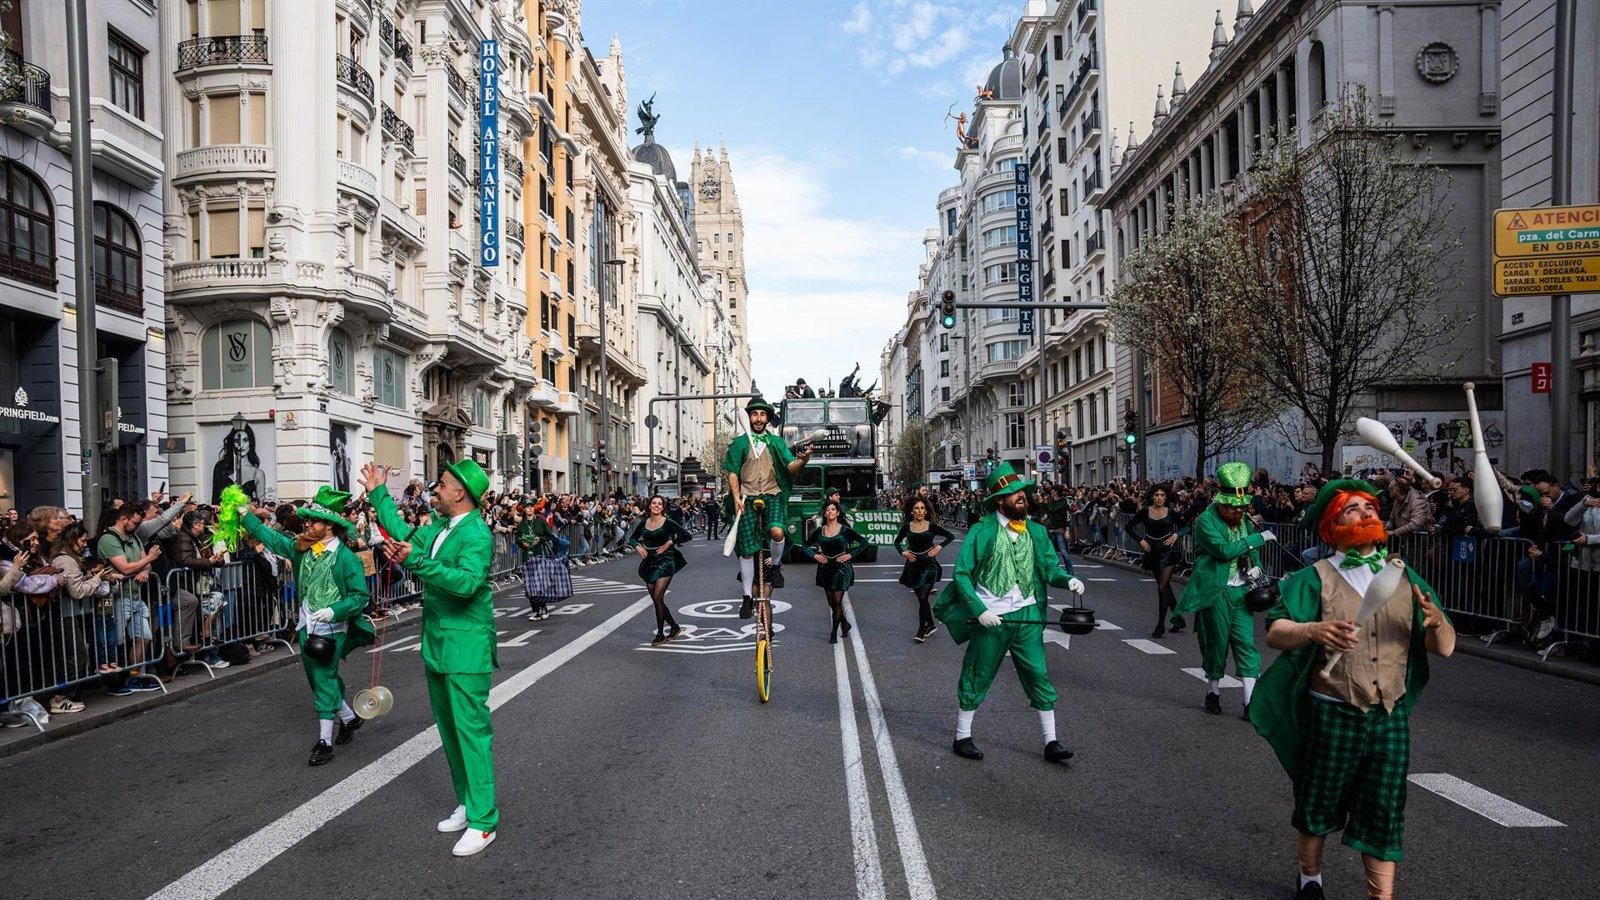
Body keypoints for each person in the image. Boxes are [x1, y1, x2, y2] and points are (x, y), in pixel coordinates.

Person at [1250, 479, 1456, 900]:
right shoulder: (1315, 578)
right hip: (1332, 709)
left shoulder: (1403, 575)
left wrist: (1436, 623)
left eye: (1370, 507)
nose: (1366, 513)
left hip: (1389, 714)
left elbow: (1445, 647)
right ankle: (1310, 877)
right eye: (1352, 509)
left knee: (1384, 808)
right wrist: (1315, 629)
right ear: (1332, 526)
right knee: (1318, 800)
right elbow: (1275, 631)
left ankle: (1381, 896)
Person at [362, 458, 500, 858]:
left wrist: (417, 561)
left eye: (440, 485)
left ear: (460, 493)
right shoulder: (440, 527)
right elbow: (407, 538)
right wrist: (377, 494)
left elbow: (468, 583)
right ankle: (468, 802)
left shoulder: (477, 534)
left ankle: (484, 820)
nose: (433, 490)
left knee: (471, 733)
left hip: (466, 647)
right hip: (438, 644)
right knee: (450, 731)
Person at [933, 462, 1085, 764]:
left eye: (1022, 493)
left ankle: (1051, 741)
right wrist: (979, 610)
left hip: (1028, 615)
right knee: (978, 672)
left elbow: (1048, 568)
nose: (1021, 497)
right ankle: (962, 736)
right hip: (992, 616)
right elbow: (962, 574)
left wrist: (1067, 579)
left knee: (1038, 673)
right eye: (1014, 494)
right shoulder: (982, 531)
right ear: (999, 500)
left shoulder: (1037, 532)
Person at [238, 487, 375, 765]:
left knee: (323, 678)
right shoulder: (303, 548)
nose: (307, 524)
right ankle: (348, 717)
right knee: (317, 679)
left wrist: (333, 610)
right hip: (306, 625)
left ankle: (324, 742)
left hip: (333, 629)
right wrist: (246, 516)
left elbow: (360, 597)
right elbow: (273, 538)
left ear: (329, 526)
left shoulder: (346, 558)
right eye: (307, 520)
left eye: (313, 520)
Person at [1176, 461, 1275, 718]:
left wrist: (1257, 571)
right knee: (1216, 644)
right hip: (1216, 592)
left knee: (1246, 644)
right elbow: (1223, 551)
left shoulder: (1243, 520)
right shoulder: (1206, 521)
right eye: (1233, 506)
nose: (1239, 510)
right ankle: (1213, 692)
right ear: (1221, 500)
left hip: (1241, 591)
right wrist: (1258, 538)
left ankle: (1250, 703)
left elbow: (1248, 552)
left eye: (1242, 506)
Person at [722, 396, 812, 619]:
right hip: (747, 497)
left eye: (762, 414)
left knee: (777, 531)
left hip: (772, 494)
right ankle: (745, 598)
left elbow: (791, 467)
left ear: (768, 418)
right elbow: (733, 472)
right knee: (747, 550)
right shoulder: (739, 444)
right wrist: (736, 498)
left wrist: (804, 460)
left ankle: (775, 567)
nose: (758, 418)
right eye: (754, 414)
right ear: (749, 417)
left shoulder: (777, 443)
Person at [627, 495, 693, 645]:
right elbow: (632, 538)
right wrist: (638, 546)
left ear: (663, 507)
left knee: (657, 597)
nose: (656, 506)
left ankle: (660, 634)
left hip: (666, 560)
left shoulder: (668, 522)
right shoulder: (644, 523)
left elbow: (686, 535)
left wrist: (670, 542)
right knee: (658, 600)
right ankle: (675, 627)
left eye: (659, 504)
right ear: (649, 506)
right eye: (654, 503)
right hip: (649, 561)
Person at [805, 500, 871, 644]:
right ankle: (845, 623)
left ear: (838, 512)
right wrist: (815, 555)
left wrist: (850, 555)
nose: (830, 512)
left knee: (837, 600)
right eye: (827, 510)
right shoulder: (820, 531)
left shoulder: (845, 530)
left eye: (833, 509)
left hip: (842, 568)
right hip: (825, 568)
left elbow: (864, 542)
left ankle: (834, 632)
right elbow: (805, 546)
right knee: (831, 602)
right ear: (824, 513)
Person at [1129, 483, 1188, 638]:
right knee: (1165, 587)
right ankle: (1178, 618)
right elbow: (1128, 527)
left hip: (1168, 552)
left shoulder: (1171, 513)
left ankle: (1160, 624)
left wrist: (1176, 535)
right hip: (1152, 552)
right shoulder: (1144, 512)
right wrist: (1141, 540)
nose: (1159, 498)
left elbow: (1186, 526)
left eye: (1162, 495)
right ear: (1152, 497)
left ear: (1166, 497)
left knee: (1162, 586)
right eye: (1157, 495)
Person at [894, 495, 954, 643]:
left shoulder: (932, 526)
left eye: (922, 508)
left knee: (923, 597)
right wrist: (903, 552)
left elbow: (950, 536)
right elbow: (897, 542)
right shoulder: (907, 527)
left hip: (929, 565)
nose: (920, 511)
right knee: (922, 600)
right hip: (913, 566)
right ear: (911, 512)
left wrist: (939, 547)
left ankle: (921, 630)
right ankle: (931, 624)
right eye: (917, 508)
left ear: (926, 511)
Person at [516, 503, 570, 621]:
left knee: (540, 583)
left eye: (531, 506)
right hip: (527, 556)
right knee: (530, 585)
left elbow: (550, 536)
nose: (529, 508)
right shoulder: (522, 525)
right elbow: (517, 539)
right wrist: (522, 543)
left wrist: (540, 539)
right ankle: (535, 610)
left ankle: (543, 608)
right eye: (527, 506)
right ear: (524, 509)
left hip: (540, 555)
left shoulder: (540, 521)